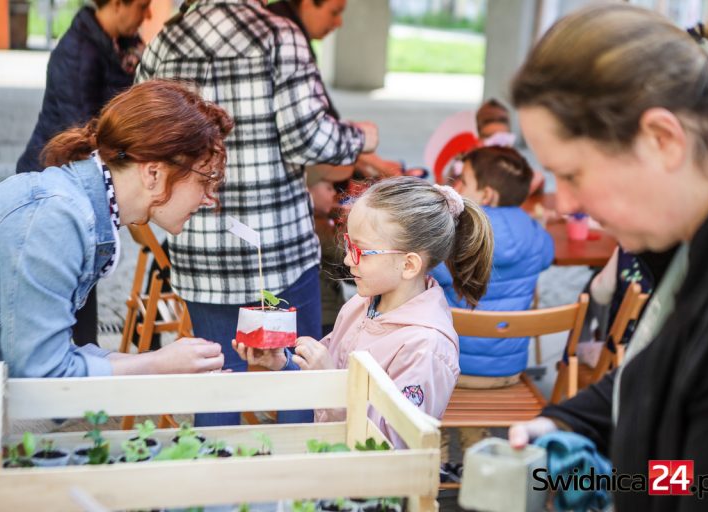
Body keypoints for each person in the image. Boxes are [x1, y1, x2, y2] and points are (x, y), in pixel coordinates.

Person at [506, 5, 708, 510]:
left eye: (572, 174)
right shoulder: (686, 247)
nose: (564, 205)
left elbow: (704, 482)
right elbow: (655, 375)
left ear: (662, 139)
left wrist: (603, 480)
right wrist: (566, 422)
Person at [0, 79, 231, 504]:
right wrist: (157, 364)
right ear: (153, 172)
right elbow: (44, 380)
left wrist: (157, 363)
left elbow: (53, 356)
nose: (209, 198)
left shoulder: (79, 209)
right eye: (205, 179)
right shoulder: (58, 215)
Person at [136, 0, 378, 427]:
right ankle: (298, 487)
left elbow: (142, 137)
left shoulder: (164, 42)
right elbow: (310, 140)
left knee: (217, 380)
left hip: (199, 245)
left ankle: (219, 487)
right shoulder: (279, 35)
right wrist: (361, 137)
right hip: (279, 244)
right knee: (297, 380)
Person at [233, 176, 495, 447]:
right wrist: (284, 363)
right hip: (332, 464)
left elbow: (391, 445)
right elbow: (326, 373)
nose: (347, 259)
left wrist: (330, 383)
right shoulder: (362, 304)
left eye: (361, 251)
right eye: (348, 244)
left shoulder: (425, 347)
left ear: (408, 265)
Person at [16, 0, 152, 347]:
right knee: (69, 299)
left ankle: (80, 370)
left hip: (72, 185)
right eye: (142, 6)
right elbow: (83, 134)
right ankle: (73, 374)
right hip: (55, 185)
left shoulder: (107, 44)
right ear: (118, 4)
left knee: (80, 289)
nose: (146, 15)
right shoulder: (81, 52)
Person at [432, 146, 553, 463]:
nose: (457, 187)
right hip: (508, 372)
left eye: (464, 181)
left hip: (454, 371)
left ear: (485, 194)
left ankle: (440, 458)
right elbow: (547, 256)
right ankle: (475, 449)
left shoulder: (462, 232)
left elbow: (426, 271)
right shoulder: (534, 231)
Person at [267, 0, 403, 179]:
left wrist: (375, 163)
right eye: (334, 12)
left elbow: (324, 119)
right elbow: (311, 134)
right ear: (307, 3)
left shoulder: (283, 28)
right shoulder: (286, 35)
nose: (339, 22)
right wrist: (366, 146)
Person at [307, 168, 353, 337]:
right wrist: (349, 222)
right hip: (325, 313)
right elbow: (342, 254)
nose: (334, 192)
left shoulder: (321, 222)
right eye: (328, 188)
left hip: (326, 310)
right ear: (308, 191)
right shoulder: (316, 225)